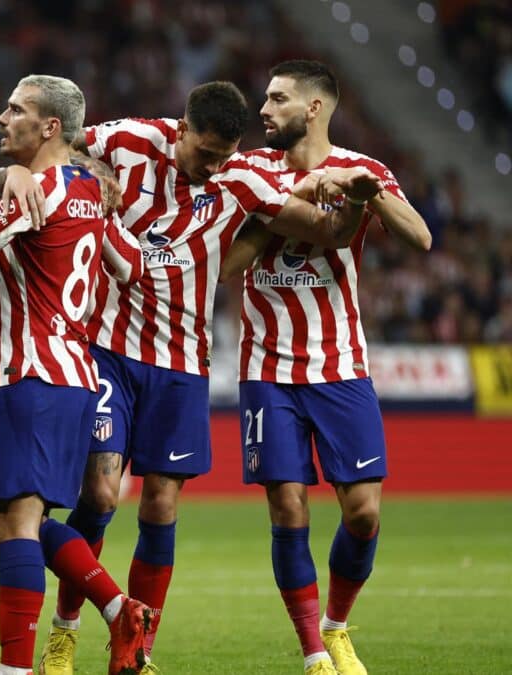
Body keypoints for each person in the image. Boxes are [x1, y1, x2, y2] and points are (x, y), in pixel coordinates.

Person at [38, 81, 384, 675]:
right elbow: (58, 148)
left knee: (161, 503)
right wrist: (90, 168)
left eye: (224, 156)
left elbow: (327, 233)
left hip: (183, 362)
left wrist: (351, 200)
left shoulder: (241, 181)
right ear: (181, 129)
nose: (212, 167)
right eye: (204, 154)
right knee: (98, 494)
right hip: (108, 349)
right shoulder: (127, 140)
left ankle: (137, 649)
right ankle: (64, 634)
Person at [220, 60, 431, 675]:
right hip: (267, 370)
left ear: (314, 108)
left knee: (363, 511)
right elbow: (231, 260)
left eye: (277, 98)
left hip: (341, 365)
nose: (264, 109)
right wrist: (294, 208)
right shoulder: (248, 169)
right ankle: (314, 650)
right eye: (266, 97)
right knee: (288, 507)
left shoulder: (364, 168)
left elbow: (419, 237)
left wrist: (370, 195)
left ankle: (338, 624)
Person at [0, 74, 156, 675]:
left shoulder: (36, 190)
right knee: (31, 522)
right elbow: (133, 265)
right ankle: (121, 612)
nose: (0, 118)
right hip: (77, 374)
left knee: (16, 521)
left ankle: (16, 668)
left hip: (36, 375)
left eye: (16, 110)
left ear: (49, 128)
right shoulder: (88, 185)